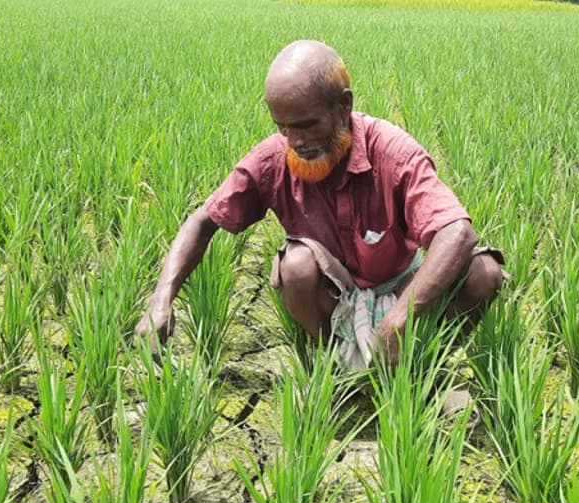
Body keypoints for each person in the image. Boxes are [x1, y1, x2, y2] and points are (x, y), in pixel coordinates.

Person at [135, 40, 505, 391]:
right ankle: (338, 366)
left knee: (484, 273)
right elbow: (203, 221)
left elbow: (457, 233)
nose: (295, 140)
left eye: (307, 124)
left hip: (400, 287)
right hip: (333, 297)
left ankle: (420, 367)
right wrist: (160, 299)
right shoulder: (272, 159)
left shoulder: (393, 153)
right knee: (295, 265)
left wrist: (400, 317)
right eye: (283, 126)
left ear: (344, 106)